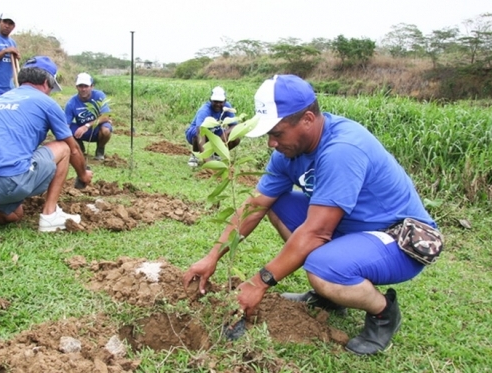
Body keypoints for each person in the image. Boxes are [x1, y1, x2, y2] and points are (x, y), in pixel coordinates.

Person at [183, 74, 441, 355]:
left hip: (396, 240)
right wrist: (213, 256)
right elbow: (255, 205)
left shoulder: (342, 149)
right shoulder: (287, 154)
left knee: (321, 266)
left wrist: (258, 283)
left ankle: (383, 313)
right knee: (274, 202)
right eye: (268, 134)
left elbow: (317, 232)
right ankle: (331, 296)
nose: (271, 143)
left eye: (277, 133)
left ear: (307, 119)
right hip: (350, 229)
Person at [0, 56, 93, 238]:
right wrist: (83, 174)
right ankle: (50, 215)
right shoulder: (46, 102)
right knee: (63, 148)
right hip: (9, 181)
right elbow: (74, 149)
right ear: (47, 82)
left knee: (15, 215)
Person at [184, 86, 241, 167]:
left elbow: (234, 125)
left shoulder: (227, 107)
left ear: (225, 101)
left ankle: (216, 154)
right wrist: (207, 161)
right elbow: (200, 132)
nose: (218, 104)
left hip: (215, 132)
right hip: (197, 133)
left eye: (220, 102)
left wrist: (225, 133)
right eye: (215, 101)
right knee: (197, 134)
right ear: (210, 100)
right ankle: (195, 155)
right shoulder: (204, 111)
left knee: (235, 138)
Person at [64, 73, 113, 161]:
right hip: (81, 132)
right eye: (80, 86)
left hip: (97, 130)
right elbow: (66, 124)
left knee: (106, 130)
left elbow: (106, 116)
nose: (83, 89)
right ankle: (79, 148)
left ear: (92, 86)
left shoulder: (99, 95)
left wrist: (86, 126)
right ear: (76, 87)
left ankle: (100, 149)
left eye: (86, 86)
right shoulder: (71, 103)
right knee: (66, 130)